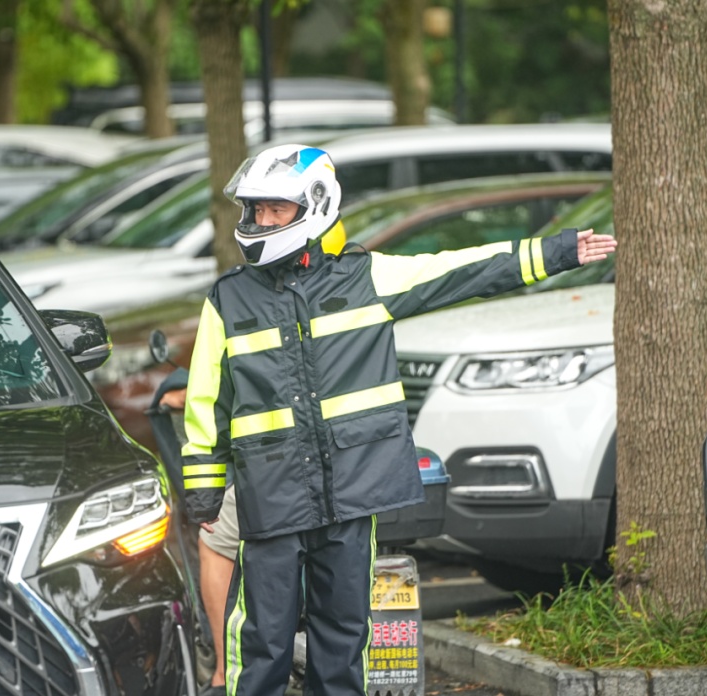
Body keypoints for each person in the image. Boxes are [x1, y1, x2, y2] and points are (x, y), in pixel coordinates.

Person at [180, 143, 616, 696]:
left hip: (351, 497)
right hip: (273, 498)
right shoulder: (228, 300)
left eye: (275, 210)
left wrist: (556, 252)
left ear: (315, 206)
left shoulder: (366, 278)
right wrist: (204, 491)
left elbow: (468, 269)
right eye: (256, 210)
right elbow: (205, 401)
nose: (261, 220)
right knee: (261, 639)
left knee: (343, 638)